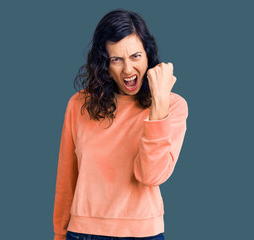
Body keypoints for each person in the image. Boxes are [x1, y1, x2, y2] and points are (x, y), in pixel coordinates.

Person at [53, 8, 188, 240]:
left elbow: (150, 175)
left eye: (135, 56)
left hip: (143, 234)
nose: (127, 69)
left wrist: (159, 102)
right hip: (84, 233)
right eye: (116, 59)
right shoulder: (78, 105)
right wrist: (58, 233)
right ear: (104, 63)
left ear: (148, 54)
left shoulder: (172, 106)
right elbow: (67, 177)